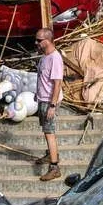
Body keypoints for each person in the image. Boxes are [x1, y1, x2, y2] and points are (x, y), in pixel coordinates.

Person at [34, 27, 64, 182]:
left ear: (48, 40)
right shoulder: (44, 57)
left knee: (49, 132)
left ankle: (54, 167)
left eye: (39, 40)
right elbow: (42, 79)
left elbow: (57, 84)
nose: (36, 43)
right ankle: (50, 154)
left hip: (49, 101)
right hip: (42, 99)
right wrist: (36, 94)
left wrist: (52, 106)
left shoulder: (55, 58)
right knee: (46, 131)